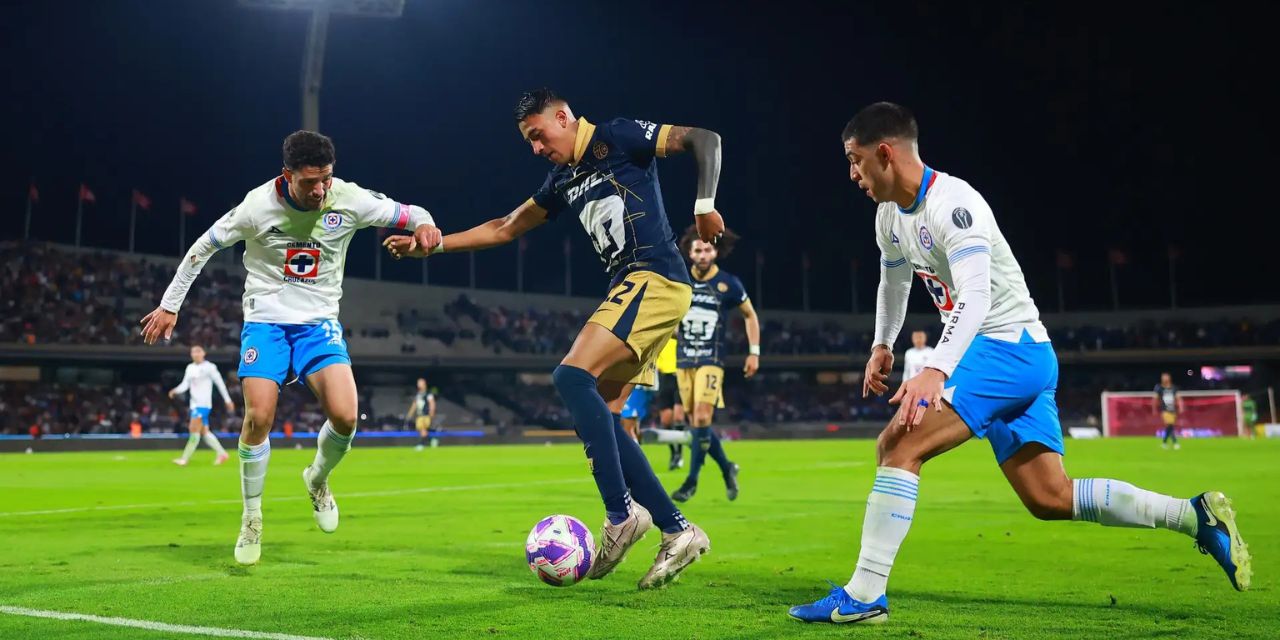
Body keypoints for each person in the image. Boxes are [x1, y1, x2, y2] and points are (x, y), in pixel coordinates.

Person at [788, 102, 1250, 625]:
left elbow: (977, 295)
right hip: (1021, 354)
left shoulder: (955, 205)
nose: (852, 174)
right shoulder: (889, 217)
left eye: (854, 160)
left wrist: (936, 368)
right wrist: (882, 344)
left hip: (1005, 348)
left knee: (898, 445)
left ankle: (866, 595)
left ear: (885, 153)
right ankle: (1193, 516)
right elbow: (893, 281)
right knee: (1049, 497)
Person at [385, 87, 723, 589]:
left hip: (653, 277)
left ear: (563, 117)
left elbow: (704, 139)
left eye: (539, 135)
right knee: (603, 414)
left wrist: (704, 205)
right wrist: (433, 248)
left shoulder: (616, 136)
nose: (537, 148)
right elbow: (505, 227)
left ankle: (621, 515)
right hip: (633, 286)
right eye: (529, 141)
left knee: (570, 376)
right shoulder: (563, 179)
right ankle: (677, 530)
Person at [140, 130, 441, 565]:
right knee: (258, 417)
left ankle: (317, 479)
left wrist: (425, 225)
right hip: (266, 322)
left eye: (326, 179)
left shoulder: (349, 198)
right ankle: (251, 517)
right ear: (287, 176)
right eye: (310, 182)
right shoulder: (257, 206)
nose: (320, 190)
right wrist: (170, 305)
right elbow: (203, 246)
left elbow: (413, 214)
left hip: (319, 323)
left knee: (346, 416)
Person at [670, 226, 759, 503]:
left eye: (707, 249)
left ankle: (691, 481)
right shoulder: (679, 279)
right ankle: (727, 467)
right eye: (698, 250)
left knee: (700, 418)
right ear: (689, 253)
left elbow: (750, 315)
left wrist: (754, 352)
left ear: (716, 252)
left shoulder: (728, 283)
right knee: (698, 425)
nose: (703, 254)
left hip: (712, 359)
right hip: (684, 359)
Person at [169, 345, 233, 466]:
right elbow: (185, 384)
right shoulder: (190, 368)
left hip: (203, 405)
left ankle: (184, 459)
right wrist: (176, 390)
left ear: (204, 353)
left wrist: (227, 400)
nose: (196, 354)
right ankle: (222, 454)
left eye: (198, 351)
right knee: (204, 432)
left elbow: (220, 384)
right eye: (193, 352)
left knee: (193, 429)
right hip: (194, 404)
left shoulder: (210, 367)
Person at [655, 336, 687, 470]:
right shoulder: (659, 336)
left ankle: (679, 454)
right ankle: (674, 453)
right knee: (666, 420)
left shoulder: (681, 336)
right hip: (663, 378)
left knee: (678, 417)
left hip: (679, 376)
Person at [405, 378, 436, 451]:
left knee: (423, 429)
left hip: (426, 414)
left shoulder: (428, 393)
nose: (418, 384)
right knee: (421, 430)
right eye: (418, 383)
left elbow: (432, 403)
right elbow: (414, 404)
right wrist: (410, 413)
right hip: (419, 415)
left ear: (424, 384)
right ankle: (432, 440)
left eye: (419, 383)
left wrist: (432, 412)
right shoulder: (418, 394)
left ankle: (421, 444)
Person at [1154, 372, 1180, 449]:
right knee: (1169, 425)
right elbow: (1155, 399)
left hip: (1173, 410)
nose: (1164, 379)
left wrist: (1180, 406)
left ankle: (1164, 443)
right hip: (1165, 410)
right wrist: (1154, 409)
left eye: (1165, 377)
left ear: (1169, 378)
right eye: (1163, 377)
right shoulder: (1159, 388)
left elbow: (1178, 398)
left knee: (1170, 426)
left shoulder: (1174, 388)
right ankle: (1175, 443)